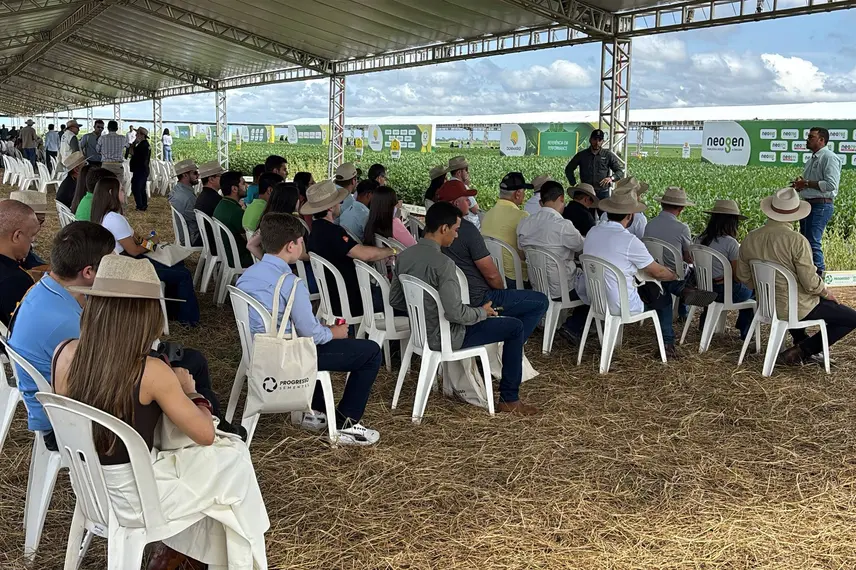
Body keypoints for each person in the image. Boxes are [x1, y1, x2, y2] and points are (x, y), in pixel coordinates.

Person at [52, 255, 269, 569]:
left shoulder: (63, 352)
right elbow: (205, 433)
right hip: (138, 499)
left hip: (91, 488)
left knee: (217, 467)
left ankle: (181, 553)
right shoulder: (149, 371)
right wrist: (192, 391)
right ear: (147, 314)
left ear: (94, 306)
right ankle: (227, 558)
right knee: (233, 456)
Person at [237, 213, 383, 445]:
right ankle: (346, 423)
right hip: (287, 356)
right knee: (371, 352)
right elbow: (312, 336)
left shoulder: (247, 276)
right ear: (291, 245)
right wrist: (334, 332)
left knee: (316, 343)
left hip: (259, 350)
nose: (303, 245)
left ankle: (318, 411)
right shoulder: (290, 282)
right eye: (301, 241)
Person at [390, 202, 538, 415]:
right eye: (456, 230)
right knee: (514, 327)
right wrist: (482, 312)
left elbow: (395, 300)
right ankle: (510, 398)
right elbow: (455, 314)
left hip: (421, 334)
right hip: (449, 335)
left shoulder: (405, 256)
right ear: (443, 228)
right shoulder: (444, 263)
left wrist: (425, 310)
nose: (457, 236)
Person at [584, 192, 716, 359]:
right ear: (630, 215)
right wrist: (674, 275)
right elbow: (657, 271)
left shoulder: (593, 232)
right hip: (620, 303)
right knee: (662, 295)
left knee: (655, 284)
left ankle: (683, 290)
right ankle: (667, 343)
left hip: (596, 298)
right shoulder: (628, 240)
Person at [737, 187, 856, 365]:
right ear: (795, 214)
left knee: (797, 301)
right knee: (850, 318)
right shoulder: (797, 240)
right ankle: (803, 350)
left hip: (767, 306)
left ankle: (800, 341)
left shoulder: (751, 238)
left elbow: (743, 276)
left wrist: (766, 289)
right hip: (794, 307)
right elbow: (810, 283)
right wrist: (825, 292)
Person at [435, 179, 548, 347]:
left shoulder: (431, 230)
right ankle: (512, 345)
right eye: (466, 199)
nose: (469, 202)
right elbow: (492, 274)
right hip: (480, 298)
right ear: (455, 203)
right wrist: (503, 292)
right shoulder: (466, 230)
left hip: (450, 298)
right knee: (541, 301)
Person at [92, 177, 200, 325]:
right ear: (112, 192)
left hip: (126, 263)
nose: (124, 192)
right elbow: (135, 250)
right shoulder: (114, 219)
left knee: (177, 265)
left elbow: (136, 239)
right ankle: (188, 319)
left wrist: (149, 241)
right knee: (183, 274)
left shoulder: (107, 216)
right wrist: (152, 243)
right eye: (121, 190)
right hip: (129, 267)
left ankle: (174, 311)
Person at [301, 179, 394, 317]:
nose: (341, 205)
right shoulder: (333, 232)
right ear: (330, 208)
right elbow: (364, 254)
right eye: (340, 202)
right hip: (352, 299)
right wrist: (392, 250)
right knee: (398, 303)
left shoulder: (315, 230)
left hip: (334, 297)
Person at [517, 180, 587, 342]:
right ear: (561, 199)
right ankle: (573, 327)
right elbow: (583, 248)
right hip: (562, 289)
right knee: (594, 288)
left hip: (537, 285)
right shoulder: (563, 225)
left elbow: (522, 250)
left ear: (541, 202)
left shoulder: (525, 222)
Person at [695, 200, 753, 339]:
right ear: (732, 223)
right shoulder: (730, 243)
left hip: (704, 289)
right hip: (724, 292)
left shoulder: (698, 239)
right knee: (753, 292)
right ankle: (746, 332)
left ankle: (705, 321)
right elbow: (737, 276)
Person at [793, 127, 842, 276]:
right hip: (809, 204)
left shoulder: (829, 157)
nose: (807, 139)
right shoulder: (813, 159)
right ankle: (810, 278)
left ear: (822, 140)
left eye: (811, 137)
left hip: (821, 204)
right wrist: (801, 186)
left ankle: (819, 279)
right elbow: (813, 184)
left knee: (813, 243)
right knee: (806, 243)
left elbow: (831, 185)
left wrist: (806, 183)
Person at [480, 172, 532, 288]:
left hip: (491, 276)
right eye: (524, 191)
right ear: (518, 194)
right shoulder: (522, 216)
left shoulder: (487, 215)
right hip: (515, 279)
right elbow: (529, 251)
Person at [0, 198, 40, 326]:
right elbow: (27, 326)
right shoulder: (15, 280)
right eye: (32, 238)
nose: (31, 245)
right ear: (17, 236)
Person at [644, 186, 695, 276]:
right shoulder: (682, 228)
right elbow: (689, 258)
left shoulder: (650, 224)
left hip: (653, 272)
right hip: (676, 275)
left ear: (662, 204)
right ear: (681, 208)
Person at [564, 128, 624, 201]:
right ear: (590, 140)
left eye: (600, 140)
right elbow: (569, 169)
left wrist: (611, 178)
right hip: (586, 192)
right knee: (586, 212)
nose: (597, 142)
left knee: (603, 212)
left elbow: (620, 171)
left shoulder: (608, 155)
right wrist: (574, 183)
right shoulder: (582, 155)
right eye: (595, 139)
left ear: (602, 141)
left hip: (603, 192)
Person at [213, 170, 253, 268]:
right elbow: (249, 237)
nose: (246, 186)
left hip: (228, 255)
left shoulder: (222, 204)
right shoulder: (235, 212)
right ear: (234, 188)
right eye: (243, 183)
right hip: (240, 258)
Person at [168, 159, 201, 246]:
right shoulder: (187, 197)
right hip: (192, 237)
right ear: (185, 175)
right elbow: (199, 220)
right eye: (195, 173)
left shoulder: (177, 189)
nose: (198, 175)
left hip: (184, 234)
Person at [447, 155, 481, 229]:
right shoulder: (462, 188)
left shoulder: (447, 185)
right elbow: (476, 210)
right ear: (459, 173)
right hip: (473, 226)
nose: (467, 173)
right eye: (466, 170)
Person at [127, 126, 150, 211]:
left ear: (141, 135)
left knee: (136, 188)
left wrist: (133, 144)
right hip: (142, 170)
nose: (136, 135)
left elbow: (131, 152)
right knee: (141, 188)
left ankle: (140, 206)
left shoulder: (142, 145)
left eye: (137, 134)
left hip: (140, 170)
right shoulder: (144, 144)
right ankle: (143, 205)